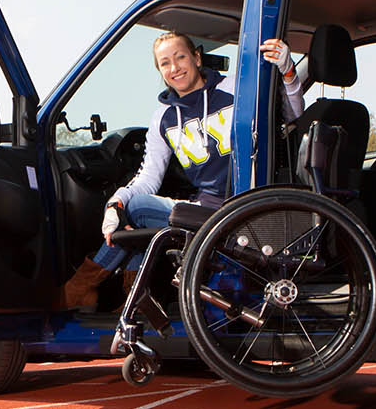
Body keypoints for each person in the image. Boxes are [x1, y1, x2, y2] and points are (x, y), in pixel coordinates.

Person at [55, 33, 314, 309]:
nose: (175, 68)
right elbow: (148, 178)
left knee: (138, 210)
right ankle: (130, 302)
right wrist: (116, 202)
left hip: (242, 207)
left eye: (180, 57)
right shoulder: (163, 117)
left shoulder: (234, 89)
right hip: (206, 207)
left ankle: (83, 289)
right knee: (131, 211)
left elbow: (291, 116)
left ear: (196, 58)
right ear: (160, 72)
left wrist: (288, 73)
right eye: (165, 63)